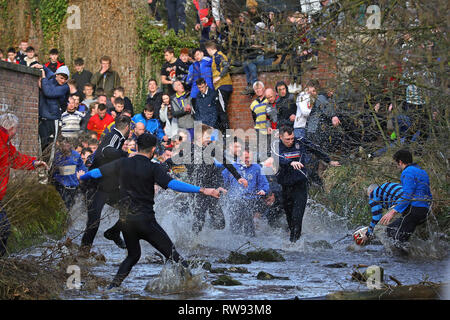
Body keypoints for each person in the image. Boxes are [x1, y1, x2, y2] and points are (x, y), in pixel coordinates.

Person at [80, 132, 222, 288]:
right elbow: (173, 184)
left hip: (126, 222)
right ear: (153, 149)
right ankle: (195, 288)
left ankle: (111, 288)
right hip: (145, 222)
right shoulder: (153, 167)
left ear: (138, 147)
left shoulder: (122, 163)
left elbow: (96, 172)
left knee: (133, 256)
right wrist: (203, 190)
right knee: (173, 255)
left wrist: (83, 176)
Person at [175, 124, 248, 233]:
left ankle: (209, 236)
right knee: (199, 220)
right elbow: (172, 162)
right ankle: (194, 242)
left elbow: (225, 161)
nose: (210, 138)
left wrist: (238, 177)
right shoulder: (188, 150)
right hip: (197, 191)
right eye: (208, 136)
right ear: (199, 137)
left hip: (212, 190)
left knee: (220, 223)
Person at [275, 126, 340, 242]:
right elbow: (278, 157)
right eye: (287, 139)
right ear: (280, 137)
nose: (290, 141)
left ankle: (295, 243)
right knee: (289, 216)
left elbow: (315, 149)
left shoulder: (300, 142)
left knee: (297, 216)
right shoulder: (276, 145)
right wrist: (290, 162)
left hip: (301, 184)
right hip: (285, 185)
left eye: (291, 138)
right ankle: (293, 238)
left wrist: (329, 160)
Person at [80, 116, 132, 252]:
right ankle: (83, 252)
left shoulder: (117, 137)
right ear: (127, 128)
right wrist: (125, 155)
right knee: (93, 221)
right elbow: (106, 151)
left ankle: (114, 232)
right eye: (130, 129)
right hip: (96, 187)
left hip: (109, 187)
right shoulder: (115, 135)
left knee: (130, 207)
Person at [0, 114, 48, 256]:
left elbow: (16, 159)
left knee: (4, 229)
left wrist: (34, 163)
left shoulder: (5, 143)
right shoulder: (1, 143)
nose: (16, 133)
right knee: (4, 229)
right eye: (16, 130)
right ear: (11, 129)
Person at [380, 149, 432, 244]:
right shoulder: (422, 171)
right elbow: (429, 194)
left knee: (398, 240)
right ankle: (413, 254)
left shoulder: (407, 172)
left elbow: (407, 194)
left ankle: (404, 258)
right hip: (424, 210)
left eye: (396, 163)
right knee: (391, 230)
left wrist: (393, 212)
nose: (396, 166)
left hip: (414, 210)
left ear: (400, 162)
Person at [222, 149, 270, 237]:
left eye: (250, 158)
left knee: (247, 218)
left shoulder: (257, 168)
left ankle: (250, 240)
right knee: (235, 223)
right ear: (240, 157)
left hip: (250, 200)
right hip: (234, 200)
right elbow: (223, 181)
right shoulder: (231, 167)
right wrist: (224, 189)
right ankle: (234, 242)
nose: (249, 160)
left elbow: (265, 184)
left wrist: (263, 190)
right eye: (246, 158)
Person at [33, 63, 70, 152]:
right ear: (56, 75)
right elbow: (48, 71)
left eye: (65, 79)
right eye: (61, 78)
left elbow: (48, 92)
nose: (63, 80)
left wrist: (43, 78)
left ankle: (49, 164)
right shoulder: (51, 77)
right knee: (41, 143)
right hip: (43, 117)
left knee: (50, 145)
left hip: (53, 118)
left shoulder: (64, 87)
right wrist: (42, 66)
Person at [51, 136, 87, 210]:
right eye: (64, 144)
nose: (66, 145)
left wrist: (82, 174)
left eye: (68, 144)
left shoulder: (76, 155)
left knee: (71, 207)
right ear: (60, 144)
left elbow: (82, 167)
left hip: (73, 187)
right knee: (63, 208)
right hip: (60, 186)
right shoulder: (56, 155)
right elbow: (52, 170)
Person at [205, 40, 232, 133]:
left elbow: (226, 66)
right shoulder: (214, 57)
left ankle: (227, 133)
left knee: (222, 110)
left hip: (223, 85)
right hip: (220, 86)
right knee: (219, 109)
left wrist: (219, 77)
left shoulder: (218, 56)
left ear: (209, 49)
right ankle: (223, 133)